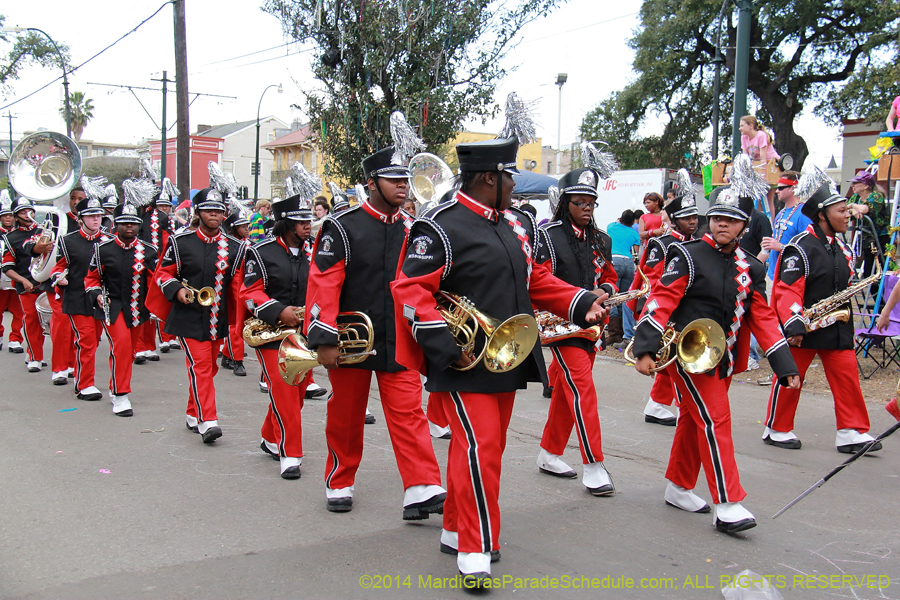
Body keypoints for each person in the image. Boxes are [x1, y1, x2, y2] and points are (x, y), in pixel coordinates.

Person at [392, 137, 608, 585]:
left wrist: (580, 300)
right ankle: (476, 545)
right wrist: (438, 337)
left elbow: (539, 279)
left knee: (480, 447)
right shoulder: (439, 225)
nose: (515, 185)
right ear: (490, 178)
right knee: (481, 447)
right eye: (510, 176)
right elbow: (410, 291)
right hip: (460, 359)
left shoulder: (516, 225)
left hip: (508, 356)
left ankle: (454, 527)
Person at [631, 183, 799, 534]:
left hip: (722, 360)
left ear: (744, 226)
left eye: (732, 220)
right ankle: (727, 502)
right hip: (687, 357)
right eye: (717, 218)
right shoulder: (687, 254)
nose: (722, 224)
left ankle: (679, 486)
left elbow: (763, 317)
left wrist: (784, 364)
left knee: (695, 420)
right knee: (716, 419)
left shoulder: (750, 267)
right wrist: (645, 348)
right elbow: (660, 300)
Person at [305, 145, 445, 517]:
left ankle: (421, 486)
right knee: (347, 415)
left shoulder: (414, 228)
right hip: (352, 340)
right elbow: (324, 284)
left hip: (399, 338)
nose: (403, 186)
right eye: (394, 180)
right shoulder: (342, 226)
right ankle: (339, 480)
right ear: (371, 184)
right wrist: (324, 337)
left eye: (405, 179)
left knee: (410, 412)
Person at [763, 176, 882, 455]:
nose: (847, 215)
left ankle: (850, 431)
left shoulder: (843, 247)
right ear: (822, 215)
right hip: (804, 325)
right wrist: (794, 322)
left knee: (847, 376)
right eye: (841, 211)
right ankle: (776, 428)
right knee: (791, 378)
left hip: (837, 325)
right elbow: (788, 289)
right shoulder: (799, 246)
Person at [533, 167, 618, 496]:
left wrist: (606, 289)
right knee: (582, 390)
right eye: (579, 201)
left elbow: (608, 274)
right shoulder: (548, 236)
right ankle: (594, 465)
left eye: (591, 202)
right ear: (565, 202)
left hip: (594, 325)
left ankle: (549, 453)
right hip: (561, 326)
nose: (586, 207)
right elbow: (540, 279)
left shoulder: (600, 239)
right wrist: (579, 299)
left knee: (569, 393)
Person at [147, 188, 248, 443]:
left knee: (208, 368)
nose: (214, 214)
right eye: (208, 209)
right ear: (198, 212)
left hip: (218, 319)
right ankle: (208, 420)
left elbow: (240, 285)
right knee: (201, 366)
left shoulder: (236, 247)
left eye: (218, 210)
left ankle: (193, 413)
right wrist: (177, 290)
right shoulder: (180, 243)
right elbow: (162, 274)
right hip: (188, 316)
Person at [242, 194, 314, 479]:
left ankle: (269, 437)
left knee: (297, 392)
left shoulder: (317, 252)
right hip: (270, 332)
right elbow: (249, 293)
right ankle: (290, 453)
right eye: (300, 221)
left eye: (309, 220)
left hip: (306, 333)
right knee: (285, 388)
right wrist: (279, 310)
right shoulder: (260, 252)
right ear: (285, 224)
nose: (308, 226)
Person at [627, 190, 699, 426]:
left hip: (686, 309)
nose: (693, 222)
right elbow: (653, 279)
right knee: (676, 359)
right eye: (687, 217)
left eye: (695, 217)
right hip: (664, 308)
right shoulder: (662, 243)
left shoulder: (697, 245)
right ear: (675, 219)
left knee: (670, 359)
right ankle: (685, 407)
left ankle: (657, 404)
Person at [83, 203, 159, 416]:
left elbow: (157, 279)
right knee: (122, 347)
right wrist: (96, 294)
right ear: (116, 225)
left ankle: (115, 384)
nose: (129, 226)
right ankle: (120, 394)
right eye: (124, 222)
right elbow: (91, 278)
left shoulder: (149, 251)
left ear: (139, 226)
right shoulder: (102, 249)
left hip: (138, 310)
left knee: (128, 351)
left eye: (133, 223)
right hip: (112, 307)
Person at [50, 195, 110, 401]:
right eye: (91, 216)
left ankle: (81, 376)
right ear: (80, 219)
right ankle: (85, 385)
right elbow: (59, 267)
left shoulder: (108, 240)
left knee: (93, 341)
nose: (96, 220)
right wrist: (58, 277)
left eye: (99, 216)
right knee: (85, 340)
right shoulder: (67, 241)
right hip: (76, 296)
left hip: (100, 299)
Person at [2, 197, 51, 372]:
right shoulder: (11, 237)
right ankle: (35, 357)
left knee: (47, 321)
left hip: (47, 282)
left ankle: (33, 351)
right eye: (22, 212)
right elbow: (7, 266)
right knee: (31, 319)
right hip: (26, 283)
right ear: (16, 216)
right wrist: (22, 280)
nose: (27, 215)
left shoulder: (44, 231)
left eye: (29, 211)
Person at [135, 187, 173, 364]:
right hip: (131, 265)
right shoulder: (128, 212)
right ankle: (137, 346)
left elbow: (165, 243)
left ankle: (148, 346)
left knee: (148, 306)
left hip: (151, 266)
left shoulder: (160, 217)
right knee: (135, 306)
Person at [761, 172, 811, 283]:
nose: (777, 191)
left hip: (789, 277)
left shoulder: (803, 214)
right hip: (772, 275)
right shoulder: (781, 213)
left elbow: (809, 248)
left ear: (792, 188)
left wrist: (781, 247)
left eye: (781, 188)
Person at [219, 211, 251, 377]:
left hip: (247, 284)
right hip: (234, 284)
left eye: (247, 225)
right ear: (233, 228)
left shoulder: (248, 244)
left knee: (244, 323)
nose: (247, 228)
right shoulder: (228, 245)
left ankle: (226, 354)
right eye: (243, 226)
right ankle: (237, 360)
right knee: (236, 324)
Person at [607, 209, 641, 345]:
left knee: (613, 296)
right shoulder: (634, 233)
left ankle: (614, 333)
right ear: (633, 222)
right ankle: (624, 334)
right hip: (628, 263)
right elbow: (636, 253)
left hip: (614, 261)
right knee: (625, 297)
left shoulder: (611, 226)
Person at [846, 171, 889, 279]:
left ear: (866, 185)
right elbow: (844, 208)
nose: (852, 186)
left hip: (880, 238)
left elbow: (865, 209)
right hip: (867, 239)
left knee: (882, 270)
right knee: (869, 272)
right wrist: (852, 210)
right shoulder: (856, 197)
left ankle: (885, 295)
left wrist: (852, 206)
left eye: (856, 183)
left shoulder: (876, 196)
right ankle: (874, 294)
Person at [0, 195, 25, 354]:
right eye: (4, 215)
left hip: (16, 276)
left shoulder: (19, 234)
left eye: (10, 215)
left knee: (18, 310)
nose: (7, 218)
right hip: (0, 278)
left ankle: (15, 339)